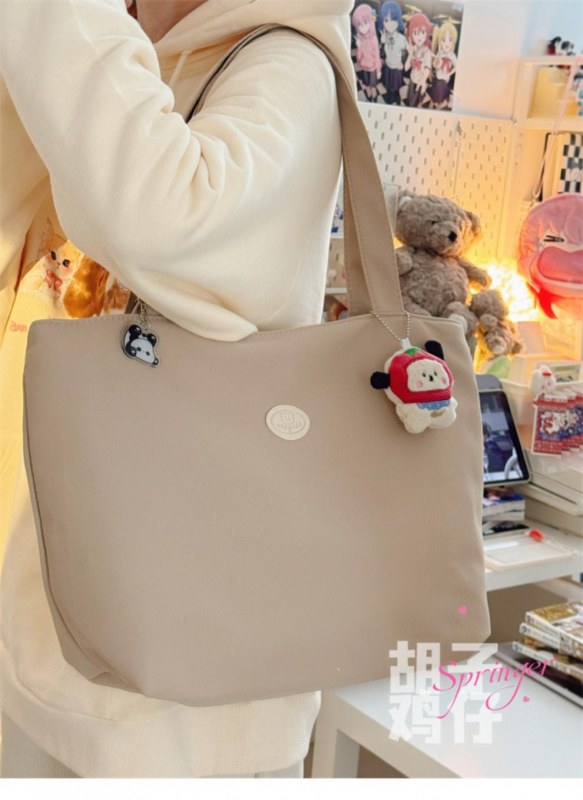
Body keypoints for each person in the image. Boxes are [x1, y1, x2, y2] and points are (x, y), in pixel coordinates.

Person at [0, 0, 354, 778]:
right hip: (54, 612)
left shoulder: (289, 58)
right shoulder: (128, 49)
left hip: (181, 694)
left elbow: (174, 230)